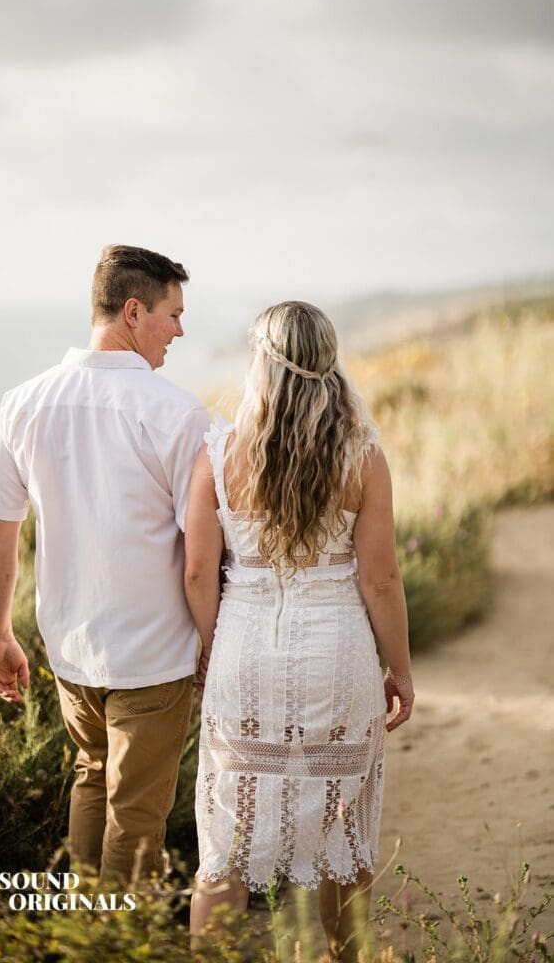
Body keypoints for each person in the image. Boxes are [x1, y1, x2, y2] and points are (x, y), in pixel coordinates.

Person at [0, 244, 209, 884]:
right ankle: (118, 934)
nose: (180, 331)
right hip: (153, 655)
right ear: (133, 312)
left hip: (71, 647)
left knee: (92, 776)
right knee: (137, 813)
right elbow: (202, 555)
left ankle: (85, 925)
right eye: (174, 315)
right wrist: (214, 638)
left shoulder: (24, 402)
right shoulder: (176, 413)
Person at [184, 301, 414, 960]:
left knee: (224, 847)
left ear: (261, 363)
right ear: (328, 362)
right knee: (343, 838)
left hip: (243, 657)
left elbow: (198, 572)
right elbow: (380, 580)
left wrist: (212, 647)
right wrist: (400, 670)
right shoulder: (362, 457)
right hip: (337, 661)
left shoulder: (219, 455)